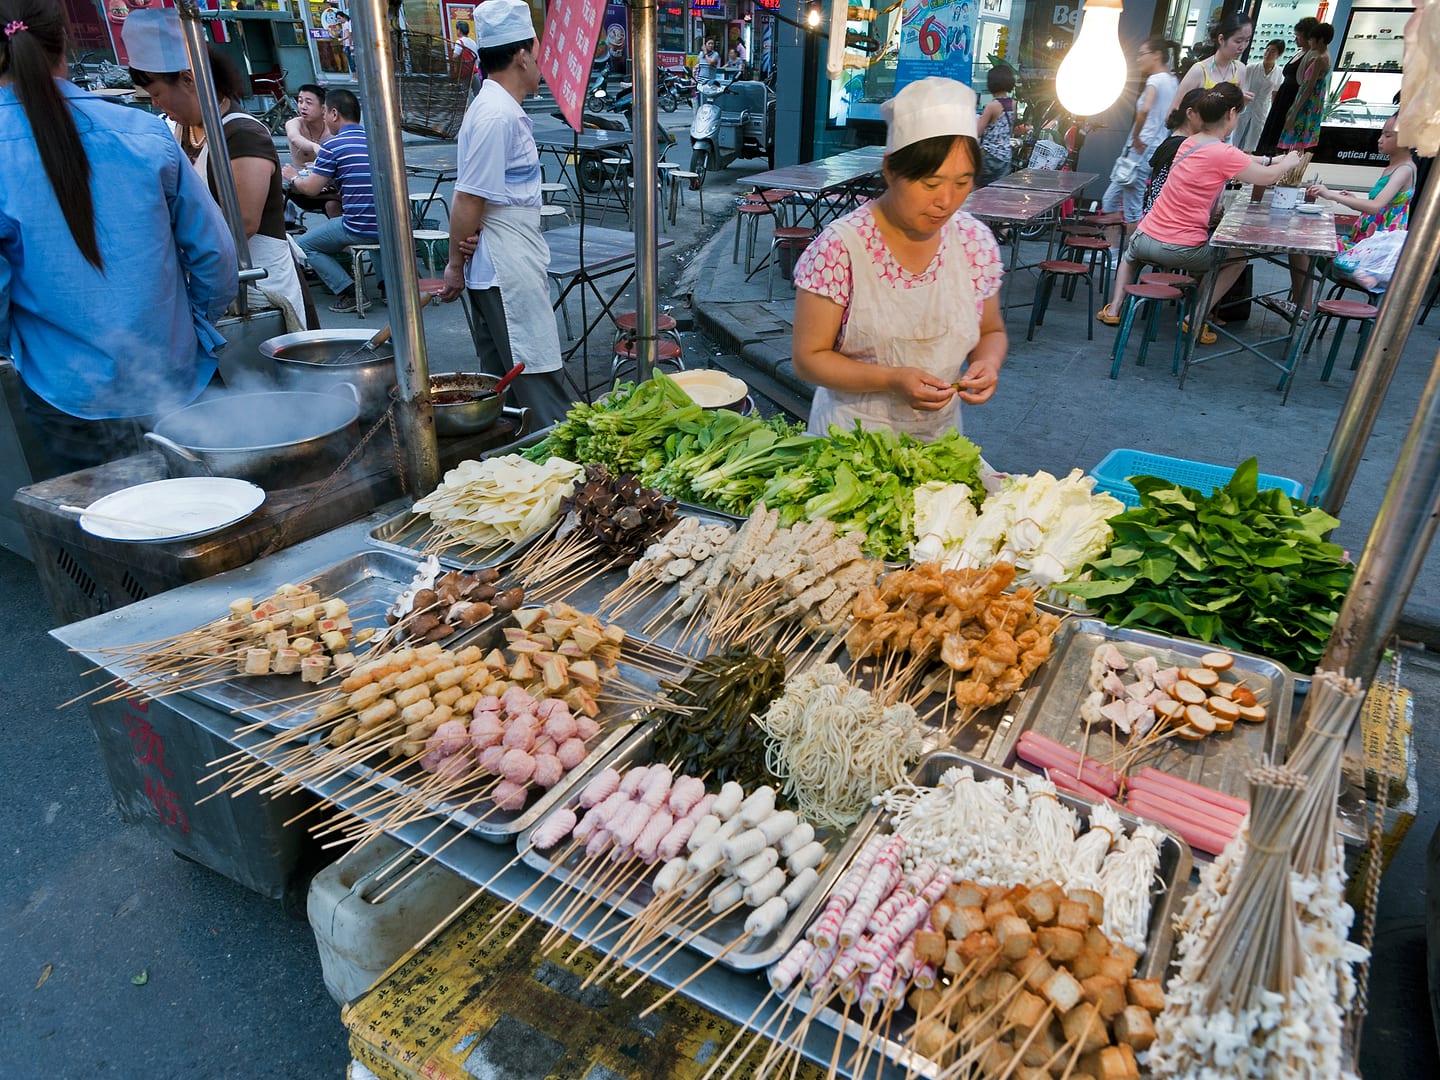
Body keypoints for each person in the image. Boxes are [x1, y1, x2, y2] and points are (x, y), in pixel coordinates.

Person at [0, 0, 237, 477]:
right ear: (65, 42)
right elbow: (216, 255)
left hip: (68, 394)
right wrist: (192, 323)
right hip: (177, 377)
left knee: (115, 532)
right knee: (223, 514)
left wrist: (23, 346)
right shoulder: (145, 132)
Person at [790, 77, 1007, 439]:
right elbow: (809, 358)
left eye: (962, 182)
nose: (947, 201)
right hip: (847, 446)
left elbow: (992, 330)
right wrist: (892, 378)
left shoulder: (974, 242)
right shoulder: (840, 248)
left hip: (939, 445)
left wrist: (987, 362)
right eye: (931, 184)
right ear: (891, 169)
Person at [126, 10, 309, 333]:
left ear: (187, 79)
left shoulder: (242, 133)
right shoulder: (177, 130)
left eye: (156, 93)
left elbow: (243, 224)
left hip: (260, 284)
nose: (155, 104)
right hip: (210, 279)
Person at [438, 0, 573, 424]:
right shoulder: (497, 115)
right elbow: (468, 198)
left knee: (500, 383)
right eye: (538, 51)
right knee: (533, 374)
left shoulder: (499, 109)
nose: (541, 63)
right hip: (504, 267)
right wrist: (454, 264)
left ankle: (514, 466)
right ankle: (567, 470)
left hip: (504, 255)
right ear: (521, 56)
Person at [1096, 84, 1303, 342]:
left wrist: (1270, 162)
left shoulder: (1188, 144)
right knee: (1236, 259)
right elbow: (1265, 176)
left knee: (1129, 257)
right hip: (1181, 250)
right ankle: (1195, 318)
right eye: (1238, 114)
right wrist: (1289, 162)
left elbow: (1243, 161)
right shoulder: (1224, 153)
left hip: (1144, 240)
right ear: (1230, 114)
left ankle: (1114, 308)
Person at [1286, 113, 1415, 308]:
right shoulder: (1392, 167)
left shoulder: (1404, 169)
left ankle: (1303, 307)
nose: (1380, 140)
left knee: (1302, 247)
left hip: (1374, 250)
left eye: (1388, 136)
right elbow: (1384, 204)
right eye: (1382, 134)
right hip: (1365, 241)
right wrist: (1354, 200)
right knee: (1300, 245)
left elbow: (1375, 207)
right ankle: (1300, 305)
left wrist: (1331, 195)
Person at [288, 88, 381, 312]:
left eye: (326, 112)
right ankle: (387, 287)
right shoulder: (377, 140)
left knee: (303, 246)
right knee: (377, 229)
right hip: (391, 225)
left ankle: (349, 292)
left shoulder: (333, 145)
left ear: (334, 114)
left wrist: (292, 178)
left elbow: (310, 189)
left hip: (357, 227)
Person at [1101, 37, 1178, 236]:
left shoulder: (1155, 80)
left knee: (1131, 205)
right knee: (1111, 199)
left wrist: (1136, 136)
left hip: (1141, 147)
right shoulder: (1172, 81)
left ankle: (1123, 256)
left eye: (1142, 54)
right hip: (1153, 146)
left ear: (1157, 55)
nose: (1138, 59)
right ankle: (1112, 250)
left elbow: (1144, 110)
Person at [1256, 18, 1321, 155]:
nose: (1296, 39)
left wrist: (1294, 111)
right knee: (1271, 134)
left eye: (1298, 36)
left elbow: (1308, 87)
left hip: (1291, 99)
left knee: (1280, 138)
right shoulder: (1300, 53)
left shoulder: (1312, 57)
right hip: (1283, 98)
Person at [1141, 87, 1204, 218]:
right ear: (1190, 113)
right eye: (1206, 115)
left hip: (1155, 221)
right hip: (1165, 224)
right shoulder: (1183, 147)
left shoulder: (1174, 142)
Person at [284, 83, 340, 221]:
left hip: (330, 188)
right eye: (300, 101)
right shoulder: (295, 124)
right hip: (302, 187)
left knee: (333, 205)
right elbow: (294, 137)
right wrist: (314, 146)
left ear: (323, 108)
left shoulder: (332, 129)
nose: (303, 106)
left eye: (309, 103)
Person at [1276, 22, 1333, 153]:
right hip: (1312, 100)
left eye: (1312, 39)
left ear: (1321, 40)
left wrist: (1294, 110)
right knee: (1300, 138)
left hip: (1307, 101)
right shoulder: (1324, 57)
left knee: (1296, 134)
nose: (1310, 42)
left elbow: (1309, 87)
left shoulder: (1320, 59)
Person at [1175, 13, 1253, 103]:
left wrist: (1242, 103)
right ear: (1221, 39)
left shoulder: (1240, 69)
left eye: (1247, 40)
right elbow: (1175, 109)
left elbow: (1234, 113)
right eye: (1238, 41)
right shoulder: (1199, 71)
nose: (1242, 47)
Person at [1233, 39, 1284, 152]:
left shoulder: (1279, 73)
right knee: (1236, 138)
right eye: (1267, 50)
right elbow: (1239, 86)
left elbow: (1274, 94)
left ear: (1279, 54)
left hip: (1261, 109)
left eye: (1273, 51)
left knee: (1253, 141)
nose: (1268, 54)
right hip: (1246, 106)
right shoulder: (1251, 67)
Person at [974, 64, 1016, 188]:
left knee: (976, 190)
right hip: (1005, 157)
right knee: (996, 192)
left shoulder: (991, 107)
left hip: (989, 157)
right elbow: (1009, 128)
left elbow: (978, 132)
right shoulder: (1013, 103)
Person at [451, 18, 479, 92]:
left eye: (456, 29)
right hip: (475, 71)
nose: (456, 31)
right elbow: (477, 58)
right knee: (477, 92)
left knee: (466, 93)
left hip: (466, 73)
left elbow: (455, 56)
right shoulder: (473, 42)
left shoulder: (459, 42)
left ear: (459, 30)